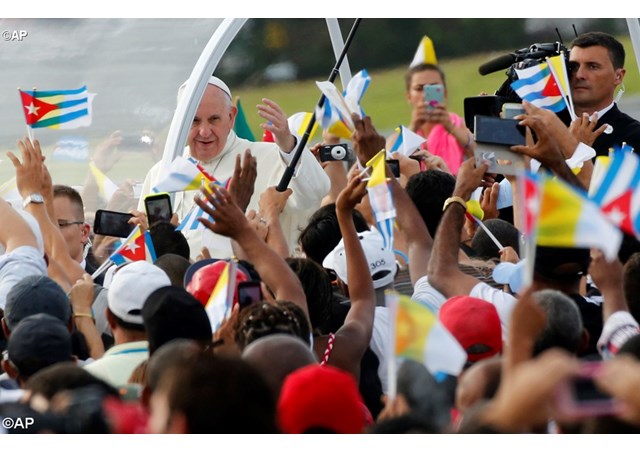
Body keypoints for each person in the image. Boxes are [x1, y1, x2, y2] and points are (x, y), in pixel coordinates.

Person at [139, 76, 330, 259]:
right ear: (180, 120)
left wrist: (288, 143)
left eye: (214, 119)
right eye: (195, 121)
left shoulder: (270, 156)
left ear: (231, 117)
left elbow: (316, 191)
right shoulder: (160, 172)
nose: (204, 132)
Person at [386, 63, 474, 175]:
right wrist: (413, 127)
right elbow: (391, 168)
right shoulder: (398, 138)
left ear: (445, 93)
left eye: (433, 88)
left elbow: (482, 156)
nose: (425, 95)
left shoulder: (462, 126)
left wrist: (451, 128)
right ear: (408, 96)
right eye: (419, 89)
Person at [569, 31, 640, 156]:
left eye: (592, 67)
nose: (579, 75)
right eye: (574, 66)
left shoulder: (635, 136)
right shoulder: (544, 128)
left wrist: (576, 152)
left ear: (618, 76)